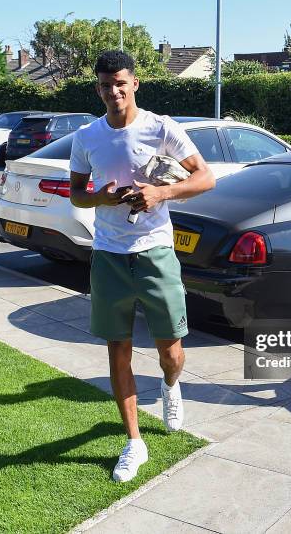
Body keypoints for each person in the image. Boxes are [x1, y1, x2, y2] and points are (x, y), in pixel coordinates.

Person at [69, 50, 215, 482]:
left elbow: (205, 177)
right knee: (119, 350)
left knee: (171, 351)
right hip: (109, 255)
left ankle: (171, 387)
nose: (112, 91)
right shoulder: (87, 138)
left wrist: (160, 195)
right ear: (97, 88)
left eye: (119, 83)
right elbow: (77, 194)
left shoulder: (161, 127)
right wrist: (102, 198)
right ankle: (134, 442)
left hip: (155, 252)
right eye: (104, 85)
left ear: (134, 83)